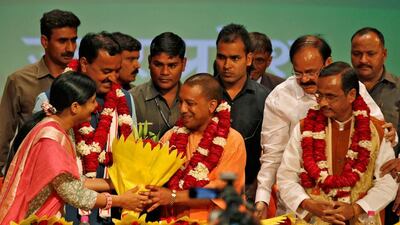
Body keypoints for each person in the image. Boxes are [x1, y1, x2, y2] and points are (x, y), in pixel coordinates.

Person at [255, 35, 387, 219]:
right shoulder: (282, 100)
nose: (305, 79)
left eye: (311, 72)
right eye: (298, 73)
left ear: (328, 63)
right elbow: (273, 157)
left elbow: (378, 136)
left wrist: (356, 208)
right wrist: (262, 199)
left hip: (357, 207)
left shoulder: (353, 88)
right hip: (304, 207)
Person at [0, 73, 147, 225]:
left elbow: (71, 180)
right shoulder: (50, 138)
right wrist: (121, 201)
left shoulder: (56, 128)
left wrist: (115, 183)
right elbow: (74, 193)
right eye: (91, 102)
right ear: (75, 107)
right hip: (34, 219)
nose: (96, 106)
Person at [277, 62, 397, 225]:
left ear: (351, 95)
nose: (323, 102)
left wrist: (356, 209)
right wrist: (309, 205)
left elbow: (387, 183)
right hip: (315, 219)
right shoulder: (305, 128)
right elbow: (286, 177)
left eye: (331, 96)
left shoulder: (377, 131)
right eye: (319, 95)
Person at [141, 73, 246, 220]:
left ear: (212, 105)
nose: (183, 109)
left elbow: (220, 191)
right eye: (180, 102)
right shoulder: (171, 137)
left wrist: (174, 196)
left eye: (190, 103)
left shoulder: (232, 141)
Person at [0, 9, 80, 175]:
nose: (70, 48)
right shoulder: (20, 80)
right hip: (30, 173)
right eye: (62, 41)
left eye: (74, 40)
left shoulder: (81, 80)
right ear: (44, 41)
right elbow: (4, 133)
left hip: (74, 173)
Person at [214, 24, 269, 202]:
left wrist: (256, 192)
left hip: (250, 196)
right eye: (221, 57)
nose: (227, 65)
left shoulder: (266, 99)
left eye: (235, 58)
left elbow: (271, 153)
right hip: (205, 196)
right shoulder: (203, 94)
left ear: (248, 59)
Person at [351, 27, 400, 224]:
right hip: (345, 192)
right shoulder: (338, 91)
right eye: (357, 54)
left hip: (390, 188)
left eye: (370, 53)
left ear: (384, 54)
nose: (363, 60)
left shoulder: (398, 91)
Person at [130, 32, 185, 137]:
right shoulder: (132, 99)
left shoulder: (196, 100)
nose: (165, 72)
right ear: (149, 62)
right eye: (158, 64)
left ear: (184, 64)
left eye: (172, 65)